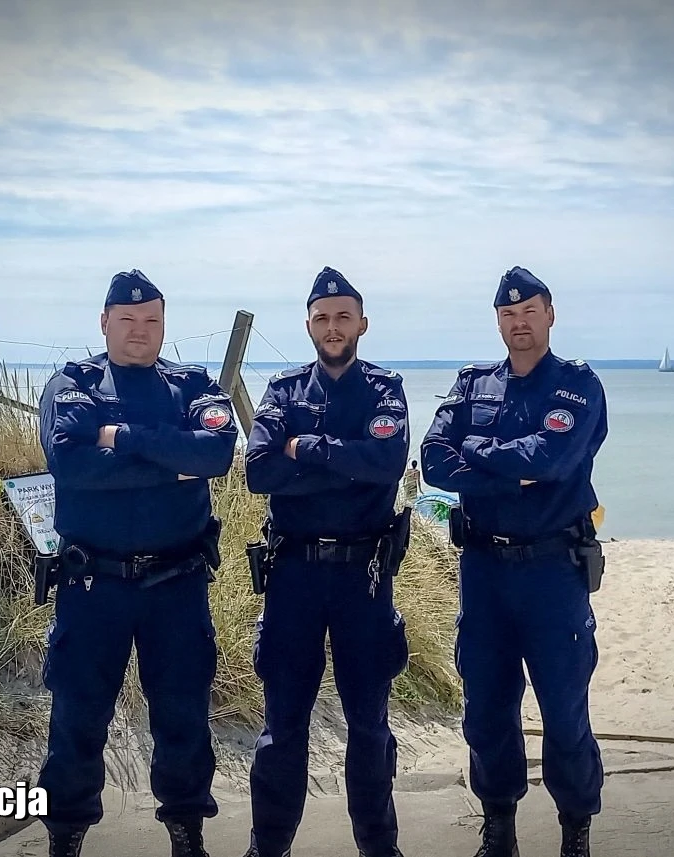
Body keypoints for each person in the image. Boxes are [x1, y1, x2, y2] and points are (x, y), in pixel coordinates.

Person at [36, 269, 238, 857]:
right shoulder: (73, 384)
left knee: (183, 717)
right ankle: (65, 836)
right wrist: (173, 459)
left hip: (177, 584)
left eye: (151, 320)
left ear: (163, 325)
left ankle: (186, 833)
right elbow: (71, 466)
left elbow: (217, 453)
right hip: (94, 583)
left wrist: (117, 438)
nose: (139, 331)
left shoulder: (193, 384)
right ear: (104, 323)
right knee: (77, 717)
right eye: (126, 320)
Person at [420, 267, 608, 857]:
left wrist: (475, 457)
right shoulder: (473, 384)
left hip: (553, 573)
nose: (518, 321)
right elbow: (432, 460)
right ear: (497, 320)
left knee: (564, 708)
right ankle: (498, 827)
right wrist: (511, 473)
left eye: (530, 310)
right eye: (508, 313)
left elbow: (549, 460)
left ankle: (574, 828)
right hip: (484, 573)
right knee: (488, 708)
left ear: (551, 314)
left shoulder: (577, 387)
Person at [242, 267, 413, 857]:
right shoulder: (284, 392)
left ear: (362, 323)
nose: (333, 327)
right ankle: (269, 847)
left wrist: (305, 450)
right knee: (282, 727)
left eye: (343, 316)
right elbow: (259, 472)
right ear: (309, 325)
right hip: (293, 579)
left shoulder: (385, 389)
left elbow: (387, 461)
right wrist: (347, 462)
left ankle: (377, 847)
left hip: (364, 581)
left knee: (369, 728)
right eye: (322, 317)